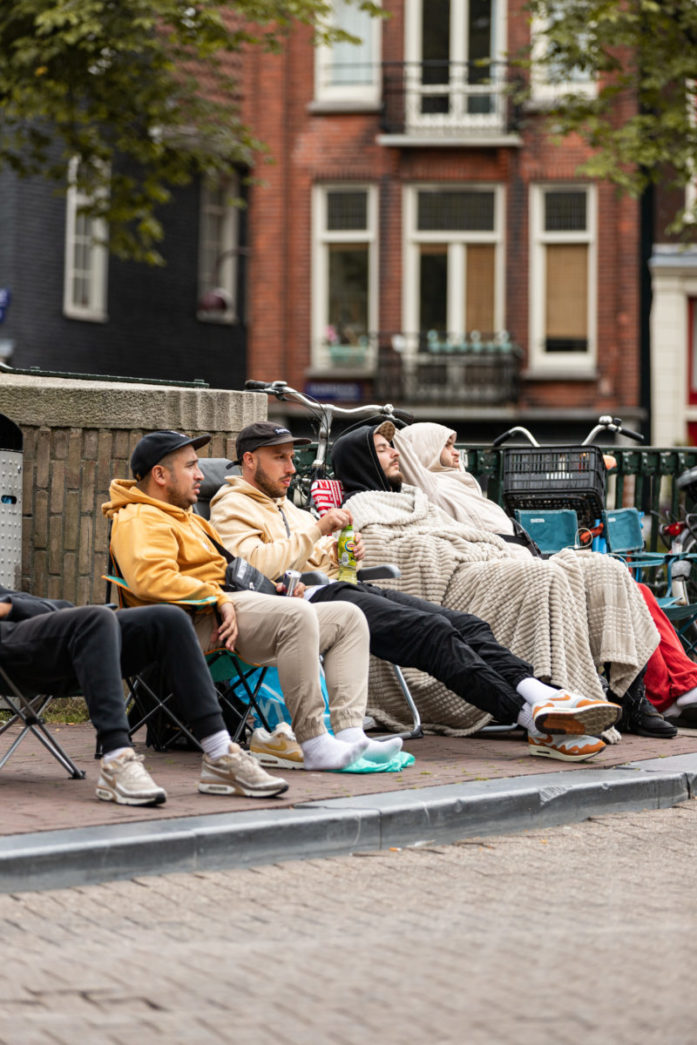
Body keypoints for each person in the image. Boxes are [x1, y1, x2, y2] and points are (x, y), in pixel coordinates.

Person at [208, 421, 622, 763]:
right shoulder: (231, 505)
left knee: (464, 623)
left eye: (290, 456)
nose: (290, 466)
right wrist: (318, 532)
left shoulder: (291, 509)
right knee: (431, 634)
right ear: (249, 460)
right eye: (278, 457)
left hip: (338, 588)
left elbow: (321, 563)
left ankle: (542, 696)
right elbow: (252, 566)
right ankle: (532, 718)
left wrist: (341, 554)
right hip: (307, 604)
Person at [330, 422, 674, 741]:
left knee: (604, 567)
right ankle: (560, 693)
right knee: (540, 574)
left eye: (393, 445)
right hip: (452, 579)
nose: (394, 452)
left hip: (477, 564)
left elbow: (456, 533)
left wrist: (473, 546)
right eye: (382, 448)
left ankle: (628, 699)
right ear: (361, 461)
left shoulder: (415, 498)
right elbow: (393, 555)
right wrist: (461, 549)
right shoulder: (359, 508)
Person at [102, 428, 391, 773]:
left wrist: (274, 588)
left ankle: (349, 734)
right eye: (191, 467)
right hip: (189, 625)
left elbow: (227, 570)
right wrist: (218, 598)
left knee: (348, 617)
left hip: (224, 612)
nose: (200, 475)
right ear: (160, 475)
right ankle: (314, 741)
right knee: (296, 616)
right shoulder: (140, 517)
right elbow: (151, 580)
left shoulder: (189, 519)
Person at [0, 586, 288, 805]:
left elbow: (44, 605)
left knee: (168, 619)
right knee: (95, 618)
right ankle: (116, 759)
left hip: (47, 643)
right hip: (10, 650)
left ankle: (220, 753)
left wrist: (13, 606)